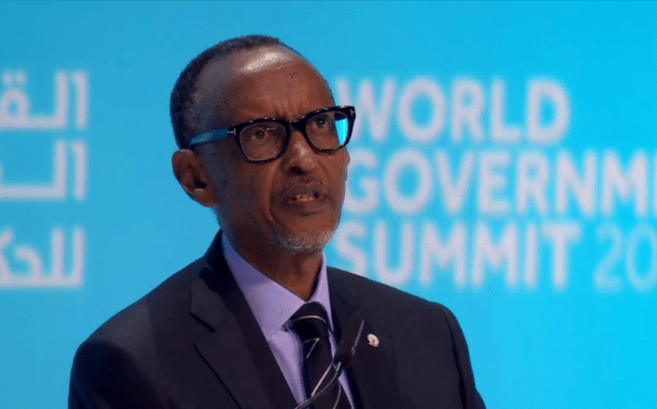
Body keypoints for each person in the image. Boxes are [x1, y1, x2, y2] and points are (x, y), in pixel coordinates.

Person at [68, 35, 486, 409]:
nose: (304, 159)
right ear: (196, 178)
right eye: (262, 133)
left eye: (320, 124)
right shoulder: (131, 361)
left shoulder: (427, 333)